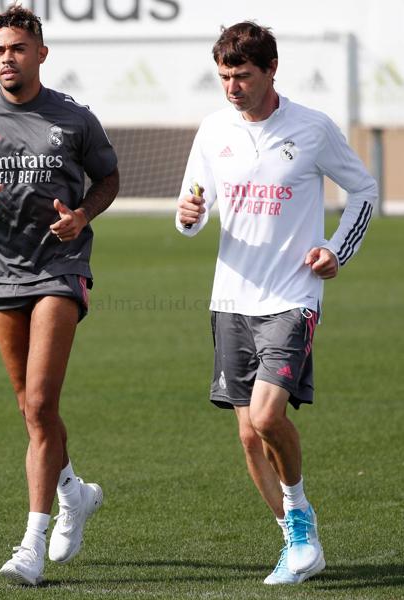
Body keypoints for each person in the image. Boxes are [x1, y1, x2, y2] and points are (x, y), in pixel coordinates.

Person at [0, 3, 119, 586]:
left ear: (41, 53)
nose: (8, 58)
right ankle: (73, 492)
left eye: (18, 49)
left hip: (60, 267)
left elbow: (108, 179)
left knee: (38, 402)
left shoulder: (75, 118)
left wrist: (82, 215)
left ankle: (31, 543)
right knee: (31, 409)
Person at [176, 21, 376, 585]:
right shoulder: (213, 131)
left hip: (292, 296)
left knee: (267, 417)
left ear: (270, 71)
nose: (232, 87)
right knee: (246, 435)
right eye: (223, 76)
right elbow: (192, 206)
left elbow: (363, 189)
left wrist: (338, 251)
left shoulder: (312, 128)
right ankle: (296, 538)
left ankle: (300, 517)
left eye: (242, 75)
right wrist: (188, 218)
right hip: (230, 298)